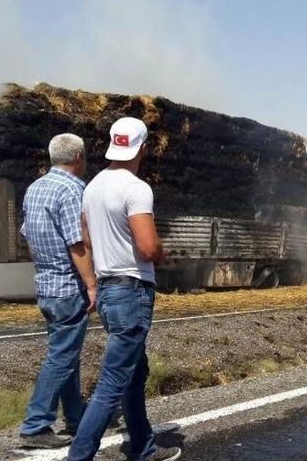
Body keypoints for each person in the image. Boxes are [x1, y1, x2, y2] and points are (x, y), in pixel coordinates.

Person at [68, 118, 181, 461]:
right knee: (112, 383)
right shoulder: (136, 188)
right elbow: (147, 248)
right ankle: (79, 455)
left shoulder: (92, 187)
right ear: (142, 149)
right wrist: (163, 253)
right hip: (132, 290)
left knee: (135, 372)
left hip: (108, 290)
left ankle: (143, 449)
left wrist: (94, 283)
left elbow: (86, 239)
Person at [19, 134, 96, 449]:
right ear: (78, 157)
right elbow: (77, 244)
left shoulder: (34, 188)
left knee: (68, 354)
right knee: (62, 356)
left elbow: (28, 236)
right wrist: (92, 284)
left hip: (46, 285)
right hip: (68, 287)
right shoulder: (73, 190)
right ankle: (36, 425)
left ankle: (76, 417)